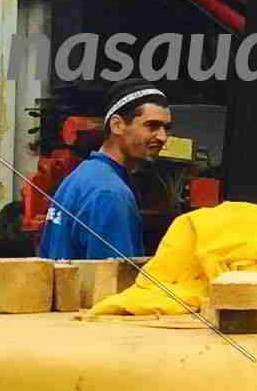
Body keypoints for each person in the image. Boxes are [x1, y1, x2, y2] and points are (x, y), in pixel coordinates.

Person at [39, 89, 168, 264]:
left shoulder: (78, 178)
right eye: (152, 126)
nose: (163, 137)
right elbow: (112, 277)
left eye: (166, 128)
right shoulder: (110, 194)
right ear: (117, 125)